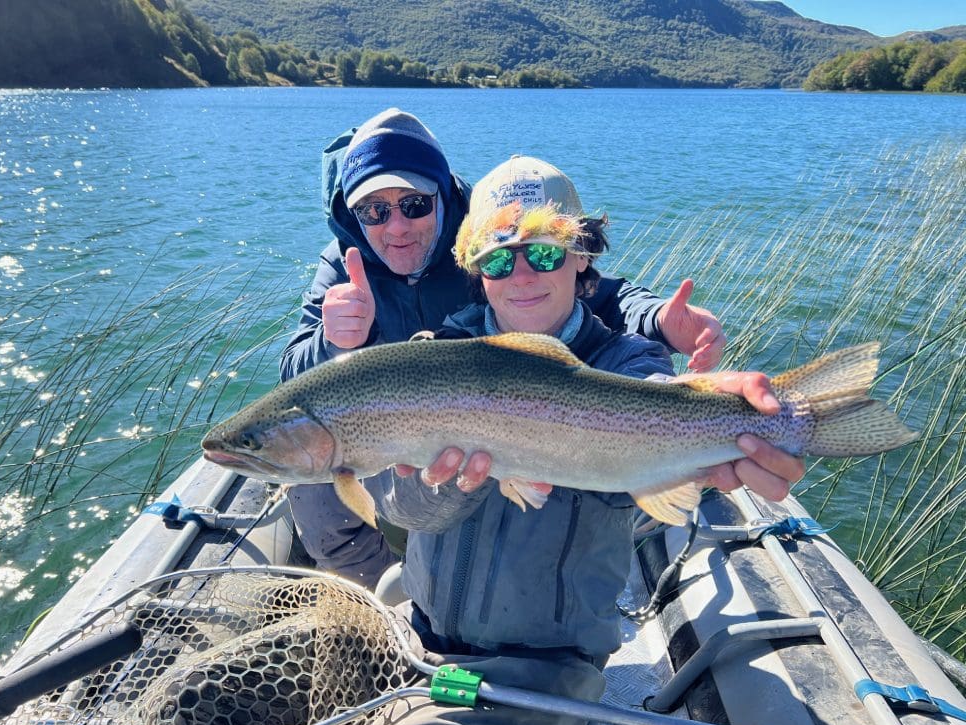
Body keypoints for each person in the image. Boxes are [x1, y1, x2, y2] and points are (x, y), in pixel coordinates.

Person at [335, 156, 805, 725]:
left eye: (546, 253)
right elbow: (400, 508)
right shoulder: (432, 362)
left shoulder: (628, 366)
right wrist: (448, 486)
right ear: (478, 273)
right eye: (500, 259)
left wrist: (741, 428)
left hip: (544, 672)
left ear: (582, 256)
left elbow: (653, 424)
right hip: (415, 636)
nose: (522, 274)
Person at [279, 108, 727, 587]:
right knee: (319, 489)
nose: (396, 227)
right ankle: (377, 587)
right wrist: (335, 341)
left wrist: (658, 318)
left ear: (442, 198)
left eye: (413, 204)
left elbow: (601, 290)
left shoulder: (489, 225)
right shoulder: (344, 265)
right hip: (400, 419)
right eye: (374, 210)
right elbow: (297, 376)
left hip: (501, 402)